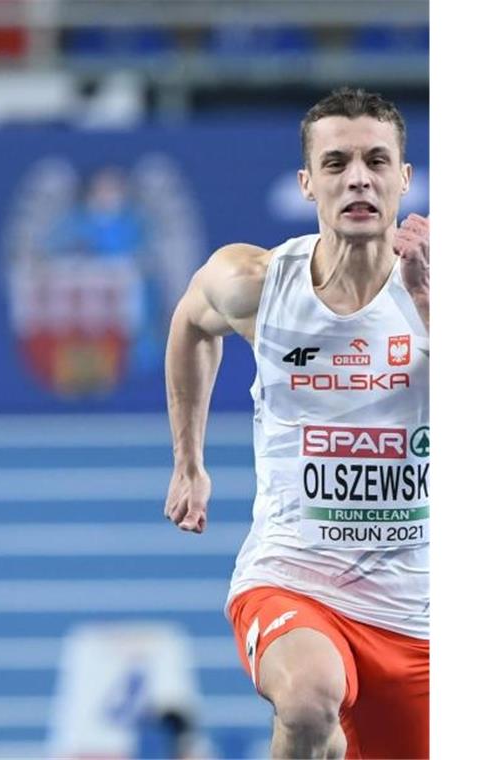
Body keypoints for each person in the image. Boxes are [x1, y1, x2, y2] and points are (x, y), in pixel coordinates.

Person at [163, 87, 429, 759]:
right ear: (308, 184)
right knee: (310, 699)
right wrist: (188, 461)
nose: (358, 177)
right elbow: (192, 322)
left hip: (414, 607)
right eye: (337, 163)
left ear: (404, 176)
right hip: (292, 574)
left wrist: (430, 307)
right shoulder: (258, 282)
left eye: (376, 160)